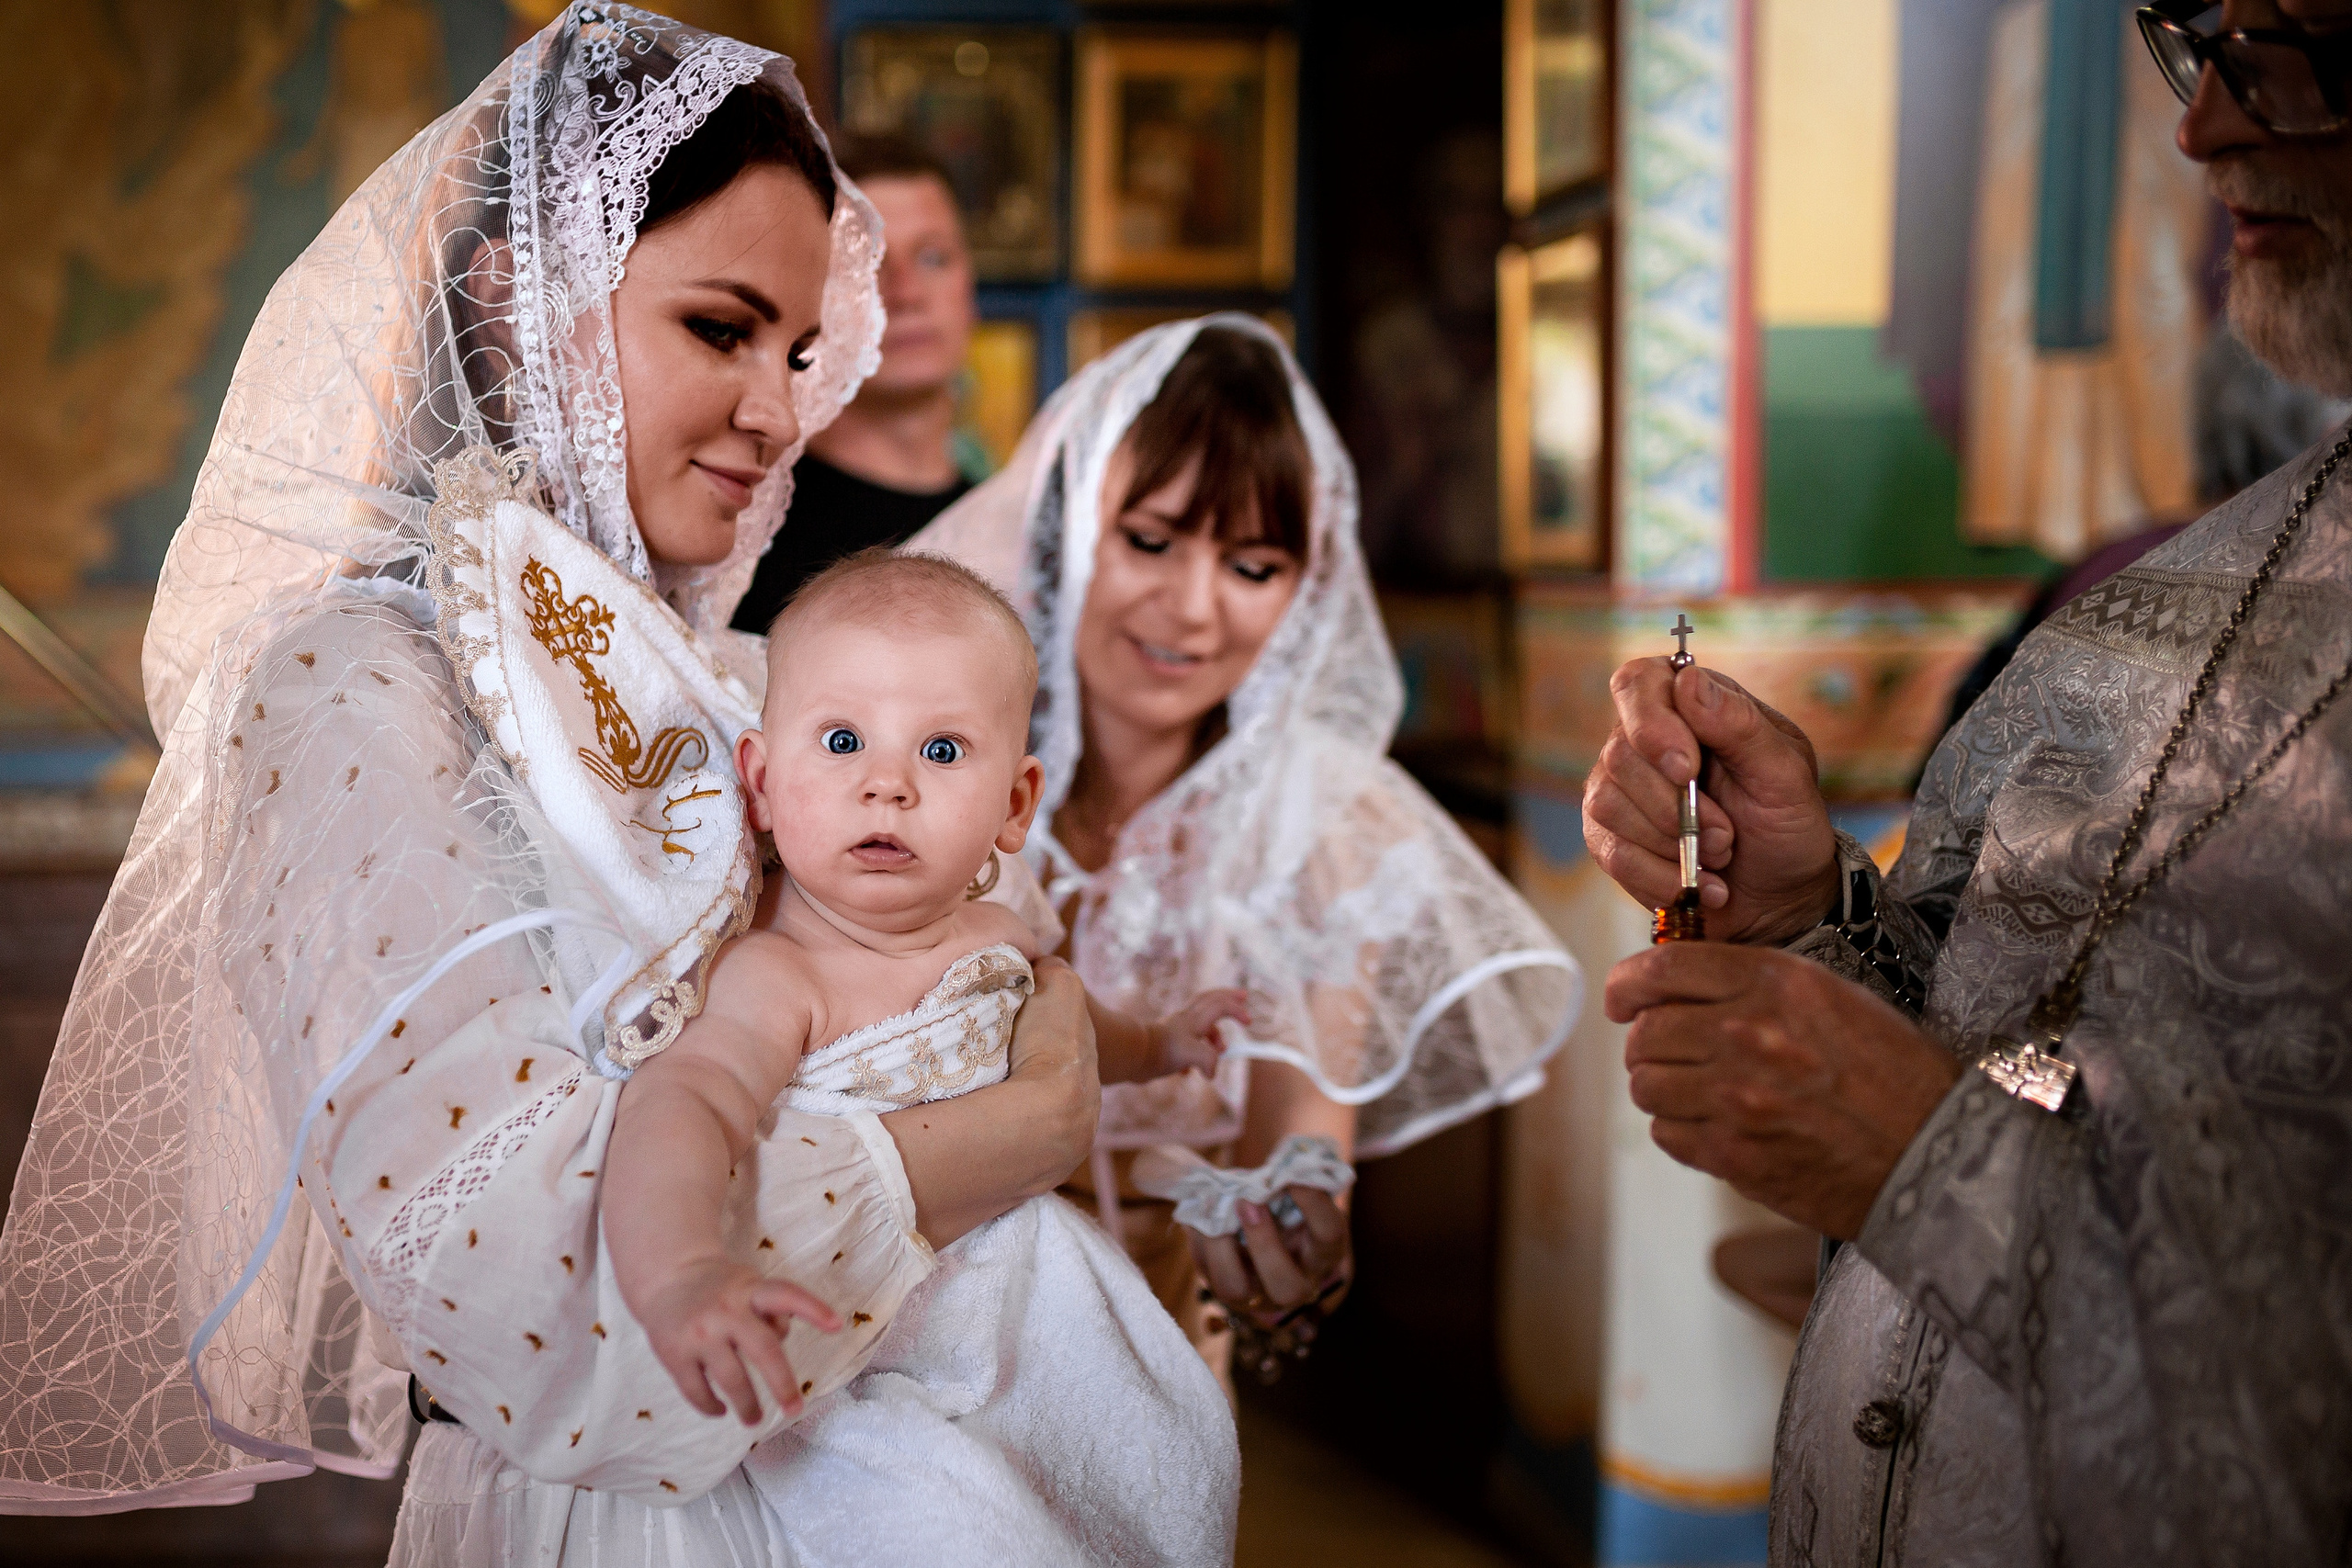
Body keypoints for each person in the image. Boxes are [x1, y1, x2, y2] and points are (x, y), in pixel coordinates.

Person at [0, 10, 1102, 1561]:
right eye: (722, 330)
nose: (783, 411)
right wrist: (1020, 1126)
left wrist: (1047, 1035)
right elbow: (515, 1281)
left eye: (796, 352)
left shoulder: (722, 676)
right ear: (517, 296)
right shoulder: (358, 690)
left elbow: (974, 933)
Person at [1578, 2, 2352, 1561]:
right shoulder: (2209, 571)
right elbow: (2033, 1014)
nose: (2201, 131)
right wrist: (1804, 904)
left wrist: (1943, 1171)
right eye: (2192, 49)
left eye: (2289, 55)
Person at [911, 317, 1582, 1383]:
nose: (1192, 608)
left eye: (1254, 564)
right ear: (1067, 527)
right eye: (1149, 540)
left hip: (1156, 1346)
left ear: (1304, 590)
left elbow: (1297, 1138)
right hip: (901, 1335)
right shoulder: (921, 755)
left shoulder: (1322, 829)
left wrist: (1295, 1246)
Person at [605, 550, 1235, 1566]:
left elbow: (1069, 1030)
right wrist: (680, 1271)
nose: (887, 785)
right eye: (843, 741)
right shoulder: (780, 975)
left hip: (1031, 1318)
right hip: (871, 1350)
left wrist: (1162, 1042)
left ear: (1015, 805)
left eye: (942, 752)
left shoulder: (998, 934)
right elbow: (683, 1107)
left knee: (1160, 1458)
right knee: (958, 1528)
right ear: (762, 783)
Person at [730, 136, 988, 632]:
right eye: (866, 262)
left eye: (934, 258)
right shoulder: (749, 532)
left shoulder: (1012, 517)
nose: (907, 292)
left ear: (969, 288)